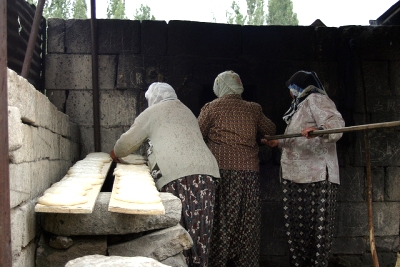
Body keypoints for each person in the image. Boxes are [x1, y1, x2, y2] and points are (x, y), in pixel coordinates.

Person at [110, 82, 220, 267]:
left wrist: (113, 155)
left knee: (178, 236)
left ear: (152, 98)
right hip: (207, 175)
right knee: (200, 234)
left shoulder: (152, 113)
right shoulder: (186, 111)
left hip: (180, 177)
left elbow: (124, 145)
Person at [262, 70, 345, 267]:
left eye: (291, 89)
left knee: (318, 232)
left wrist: (321, 132)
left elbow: (337, 125)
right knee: (298, 231)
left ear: (298, 87)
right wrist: (279, 144)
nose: (290, 93)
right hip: (296, 175)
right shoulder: (298, 107)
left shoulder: (316, 99)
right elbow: (296, 138)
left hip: (317, 175)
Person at [198, 70, 276, 267]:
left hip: (221, 172)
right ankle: (246, 262)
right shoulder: (253, 109)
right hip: (249, 173)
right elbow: (271, 130)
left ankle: (217, 261)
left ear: (220, 86)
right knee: (247, 222)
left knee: (221, 222)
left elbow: (197, 133)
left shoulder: (211, 108)